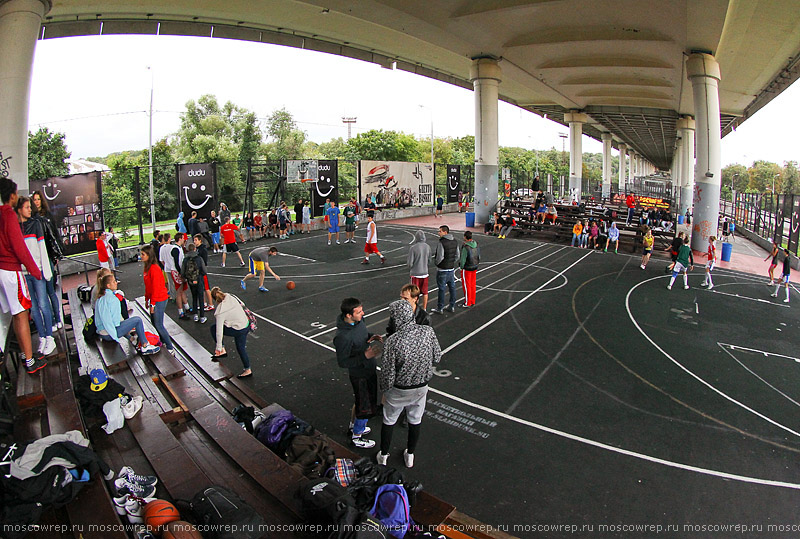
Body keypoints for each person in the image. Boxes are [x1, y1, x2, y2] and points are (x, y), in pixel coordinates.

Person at [376, 300, 441, 468]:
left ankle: (383, 455)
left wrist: (385, 389)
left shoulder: (392, 341)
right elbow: (437, 356)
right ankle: (410, 454)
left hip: (399, 390)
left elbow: (388, 372)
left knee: (389, 420)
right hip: (421, 387)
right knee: (415, 420)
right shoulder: (428, 331)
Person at [333, 297, 382, 449]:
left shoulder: (359, 321)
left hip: (369, 369)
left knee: (363, 402)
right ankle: (357, 436)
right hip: (360, 374)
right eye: (359, 312)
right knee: (365, 405)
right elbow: (343, 362)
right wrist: (364, 356)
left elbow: (362, 334)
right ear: (348, 315)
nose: (363, 313)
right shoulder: (342, 337)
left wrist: (371, 336)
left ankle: (354, 426)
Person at [16, 196, 56, 357]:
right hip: (24, 275)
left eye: (29, 207)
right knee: (33, 308)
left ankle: (49, 337)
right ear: (19, 209)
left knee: (43, 304)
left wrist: (46, 272)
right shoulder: (16, 228)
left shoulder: (36, 224)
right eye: (26, 207)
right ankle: (41, 336)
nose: (30, 210)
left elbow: (42, 249)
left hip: (37, 271)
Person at [94, 274, 160, 355]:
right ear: (108, 285)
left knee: (127, 324)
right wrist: (129, 327)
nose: (116, 283)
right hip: (109, 334)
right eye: (114, 281)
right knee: (137, 320)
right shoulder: (113, 299)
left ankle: (132, 339)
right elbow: (116, 322)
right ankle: (145, 346)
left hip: (101, 333)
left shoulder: (100, 298)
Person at [31, 190, 63, 332]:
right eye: (34, 200)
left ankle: (58, 318)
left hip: (48, 258)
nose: (36, 202)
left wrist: (55, 256)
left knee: (51, 291)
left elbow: (53, 237)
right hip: (36, 260)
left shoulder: (47, 217)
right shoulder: (31, 220)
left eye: (38, 199)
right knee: (42, 295)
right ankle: (50, 321)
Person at [210, 287, 252, 378]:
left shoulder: (220, 312)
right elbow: (243, 304)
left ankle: (222, 350)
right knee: (241, 348)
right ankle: (247, 369)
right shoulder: (231, 296)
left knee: (213, 328)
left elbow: (219, 331)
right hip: (245, 325)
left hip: (237, 329)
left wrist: (219, 347)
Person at [141, 244, 176, 355]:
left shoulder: (154, 268)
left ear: (148, 255)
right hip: (154, 298)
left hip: (159, 298)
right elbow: (148, 286)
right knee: (154, 322)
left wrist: (153, 304)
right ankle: (163, 342)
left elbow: (156, 288)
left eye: (143, 254)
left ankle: (170, 347)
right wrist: (147, 299)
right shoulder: (147, 268)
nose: (141, 256)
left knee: (159, 323)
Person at [160, 232, 190, 319]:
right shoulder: (175, 249)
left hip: (176, 270)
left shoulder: (178, 248)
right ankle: (181, 311)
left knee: (182, 290)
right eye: (183, 238)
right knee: (179, 291)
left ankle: (187, 307)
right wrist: (181, 273)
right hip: (177, 271)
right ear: (180, 239)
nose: (184, 239)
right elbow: (177, 263)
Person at [431, 225, 459, 314]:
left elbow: (440, 256)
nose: (439, 233)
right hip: (451, 269)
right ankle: (452, 305)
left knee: (442, 289)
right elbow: (457, 255)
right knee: (452, 288)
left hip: (442, 269)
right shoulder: (455, 241)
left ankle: (440, 308)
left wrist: (436, 263)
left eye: (440, 231)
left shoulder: (441, 242)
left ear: (445, 232)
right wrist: (451, 262)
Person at [181, 242, 208, 323]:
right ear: (195, 249)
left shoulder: (185, 259)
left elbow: (183, 271)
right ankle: (202, 316)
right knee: (201, 296)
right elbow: (204, 270)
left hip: (190, 280)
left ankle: (195, 315)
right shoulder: (199, 258)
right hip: (199, 279)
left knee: (194, 297)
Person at [407, 230, 431, 311]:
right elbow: (429, 260)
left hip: (415, 273)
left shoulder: (413, 248)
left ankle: (414, 309)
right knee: (425, 292)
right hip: (425, 273)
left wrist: (411, 268)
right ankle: (424, 308)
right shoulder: (428, 247)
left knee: (414, 293)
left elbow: (410, 263)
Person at [193, 234, 215, 312]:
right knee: (201, 288)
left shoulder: (203, 249)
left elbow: (204, 261)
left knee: (206, 288)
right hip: (198, 271)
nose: (194, 242)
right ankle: (204, 303)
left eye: (196, 240)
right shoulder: (197, 249)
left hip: (202, 271)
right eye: (194, 240)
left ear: (200, 240)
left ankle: (211, 304)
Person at [459, 231, 479, 308]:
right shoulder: (476, 244)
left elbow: (463, 259)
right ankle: (472, 300)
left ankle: (467, 302)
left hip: (467, 268)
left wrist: (461, 267)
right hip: (474, 266)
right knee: (473, 284)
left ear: (465, 237)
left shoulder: (465, 247)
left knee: (467, 285)